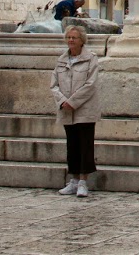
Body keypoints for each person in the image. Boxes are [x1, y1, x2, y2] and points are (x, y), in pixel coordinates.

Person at [52, 24, 101, 199]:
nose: (71, 40)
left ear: (82, 41)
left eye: (74, 38)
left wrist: (73, 102)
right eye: (69, 37)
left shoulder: (91, 59)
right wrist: (63, 101)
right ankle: (72, 180)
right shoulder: (61, 60)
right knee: (71, 145)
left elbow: (90, 84)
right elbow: (54, 84)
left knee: (85, 145)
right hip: (66, 110)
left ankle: (83, 182)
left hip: (84, 110)